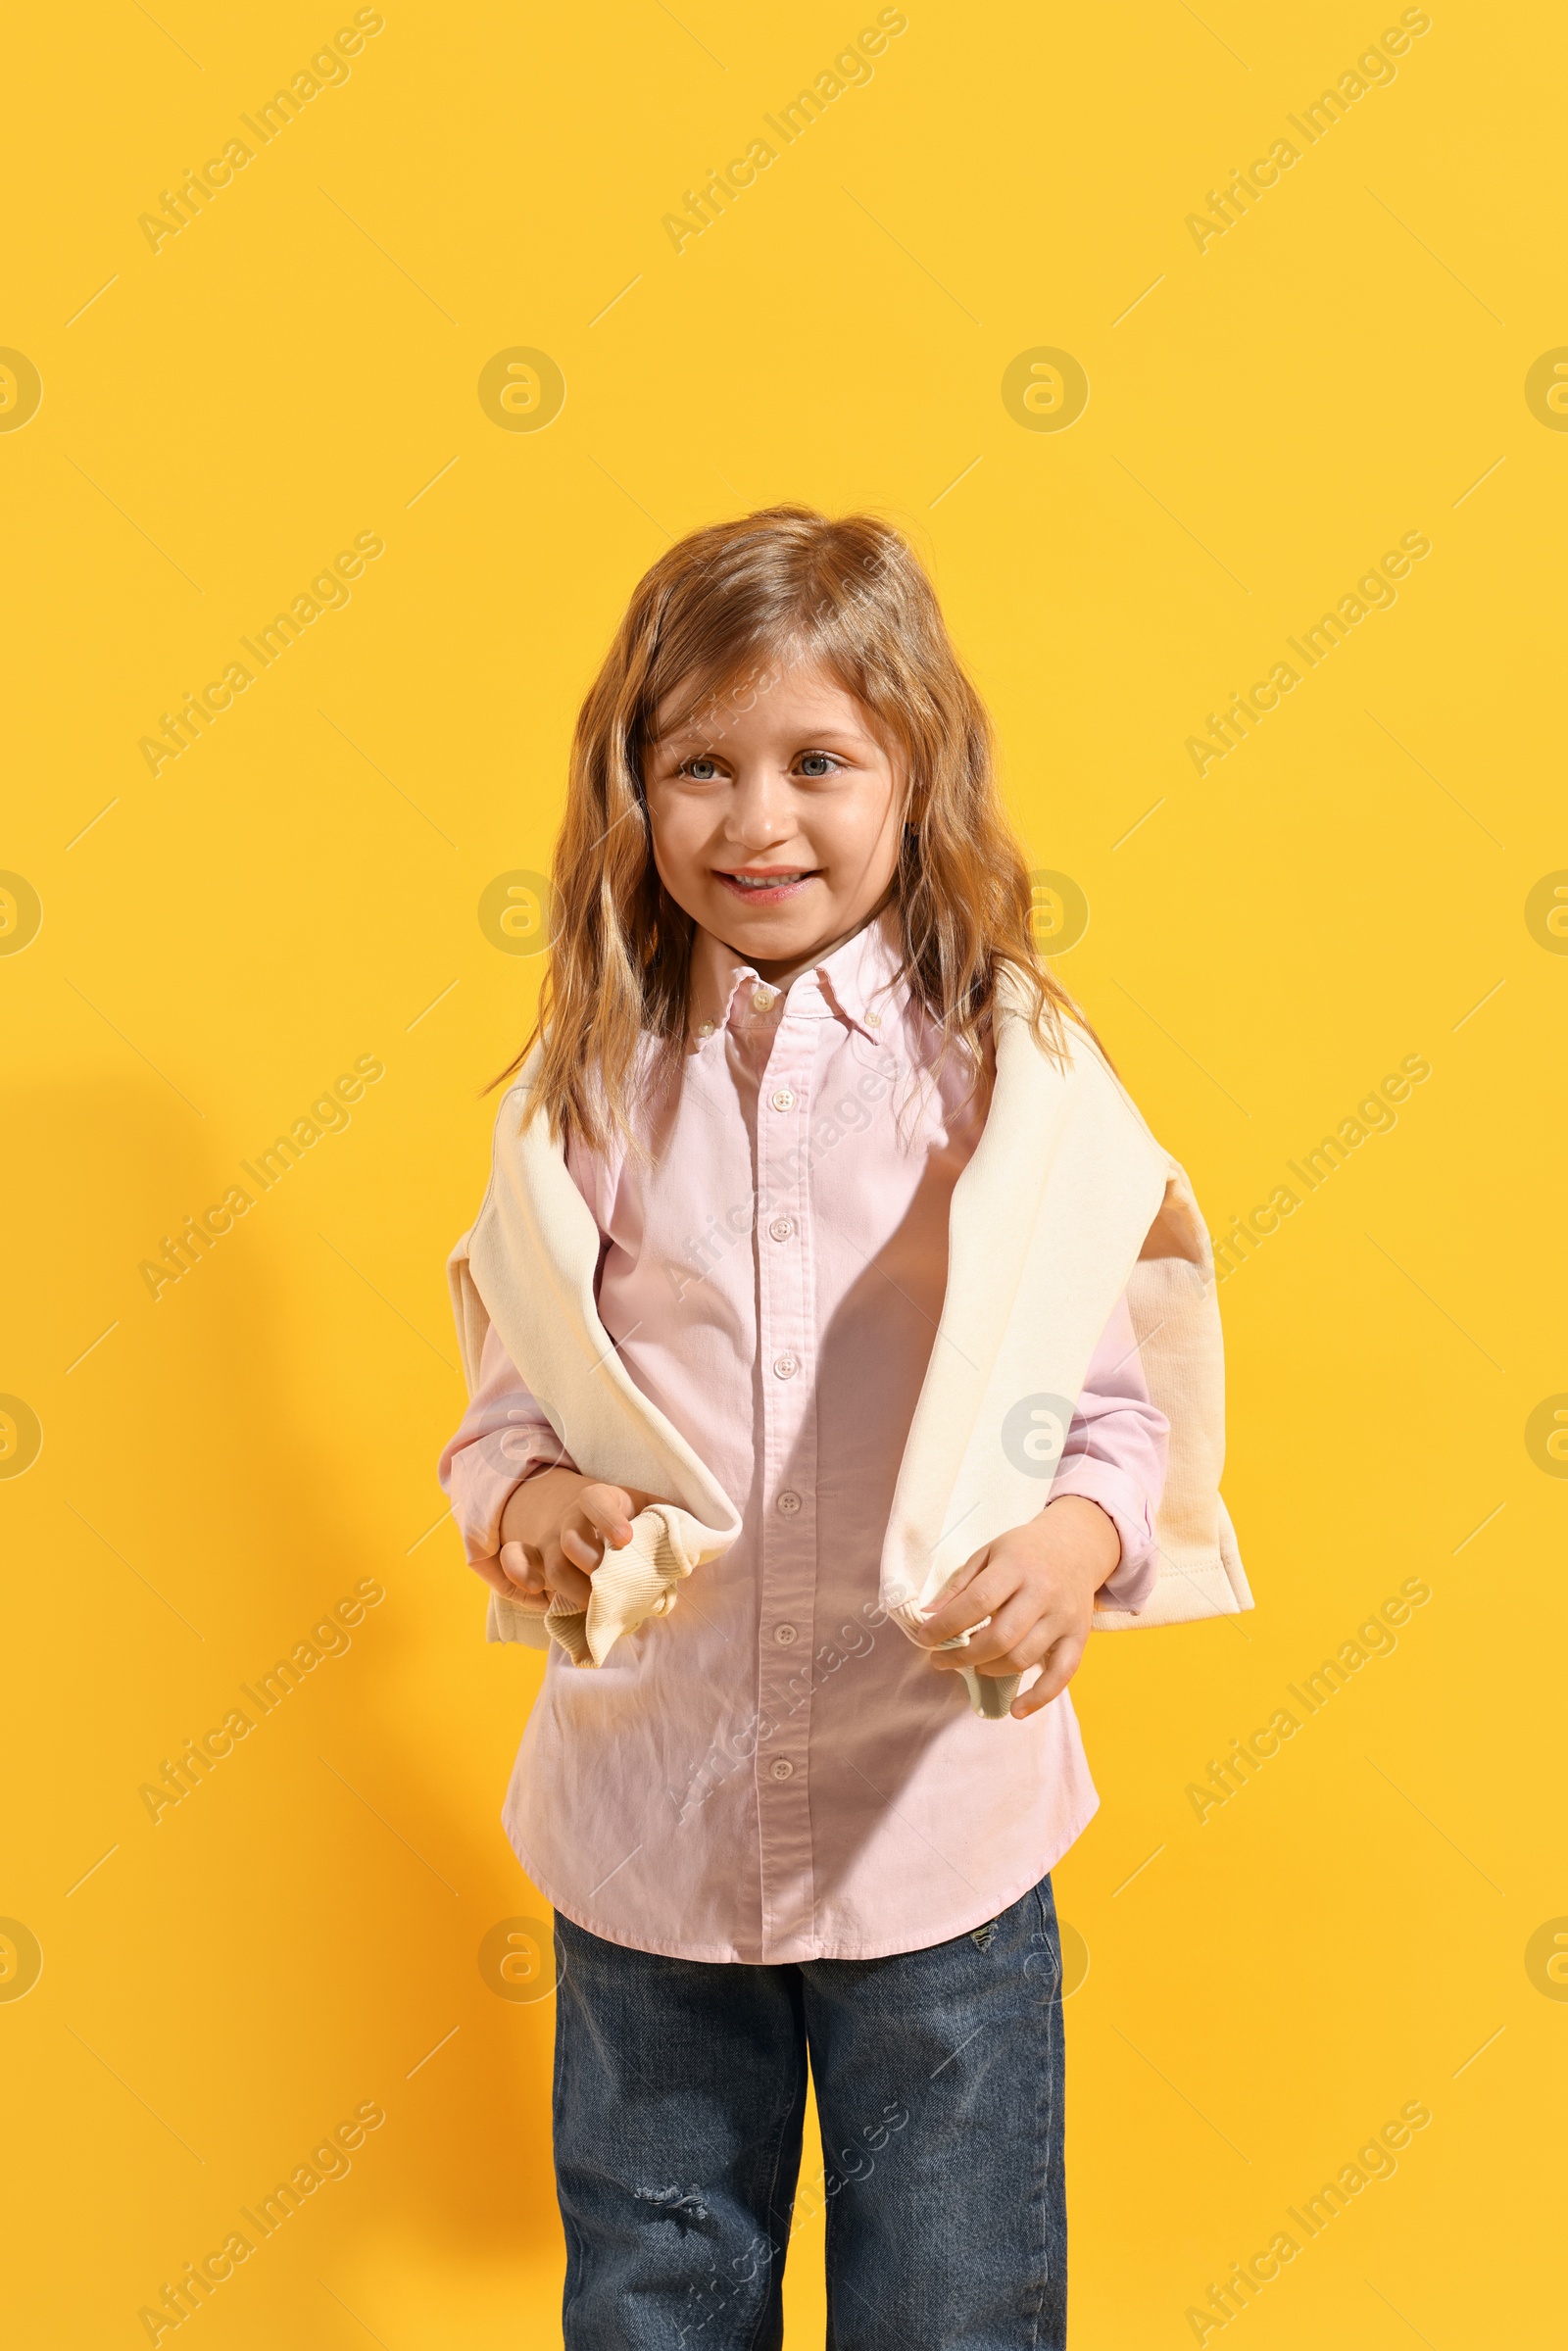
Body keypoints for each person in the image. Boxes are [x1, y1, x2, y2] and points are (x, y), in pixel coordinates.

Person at [438, 506, 1250, 2348]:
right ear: (633, 792)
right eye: (698, 767)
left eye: (818, 762)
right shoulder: (592, 1089)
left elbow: (1104, 1408)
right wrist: (540, 1497)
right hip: (652, 1820)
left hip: (933, 1822)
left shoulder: (1009, 1079)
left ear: (916, 777)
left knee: (955, 2305)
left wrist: (1073, 1543)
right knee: (655, 2292)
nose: (755, 821)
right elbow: (503, 1415)